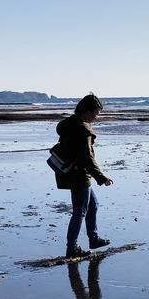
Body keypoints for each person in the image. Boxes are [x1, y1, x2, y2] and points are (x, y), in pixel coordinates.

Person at [53, 93, 113, 258]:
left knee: (92, 205)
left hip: (70, 172)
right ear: (87, 111)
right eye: (96, 112)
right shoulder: (83, 130)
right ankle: (71, 248)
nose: (97, 116)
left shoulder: (70, 124)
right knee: (80, 211)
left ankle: (93, 239)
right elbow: (88, 158)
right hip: (79, 175)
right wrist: (102, 178)